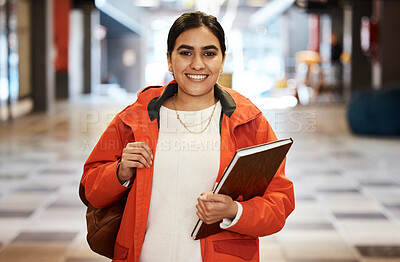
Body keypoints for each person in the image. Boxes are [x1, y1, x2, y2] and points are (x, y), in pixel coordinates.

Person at [80, 11, 295, 262]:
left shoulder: (249, 122)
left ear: (223, 60)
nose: (197, 64)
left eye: (209, 53)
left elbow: (279, 203)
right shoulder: (135, 118)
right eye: (185, 52)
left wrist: (235, 211)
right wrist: (120, 172)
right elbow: (92, 189)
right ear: (170, 60)